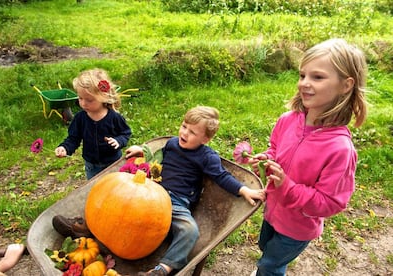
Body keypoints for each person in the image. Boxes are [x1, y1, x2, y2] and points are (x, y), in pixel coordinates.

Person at [53, 106, 266, 275]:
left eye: (192, 132)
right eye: (184, 126)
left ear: (205, 139)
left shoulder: (206, 156)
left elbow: (221, 176)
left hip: (175, 204)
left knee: (190, 230)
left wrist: (243, 189)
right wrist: (142, 150)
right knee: (115, 205)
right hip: (150, 194)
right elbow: (160, 153)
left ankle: (163, 269)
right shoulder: (173, 143)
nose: (184, 133)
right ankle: (83, 227)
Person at [248, 38, 368, 276]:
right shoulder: (288, 120)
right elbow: (276, 149)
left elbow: (330, 202)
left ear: (346, 85)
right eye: (302, 75)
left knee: (270, 264)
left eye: (317, 77)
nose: (304, 83)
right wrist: (266, 160)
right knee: (265, 247)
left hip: (297, 227)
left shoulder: (339, 148)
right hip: (273, 211)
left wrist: (287, 187)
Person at [55, 68, 132, 180]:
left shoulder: (114, 117)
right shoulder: (80, 118)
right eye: (80, 98)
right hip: (92, 166)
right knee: (94, 188)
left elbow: (125, 133)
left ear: (103, 97)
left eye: (89, 100)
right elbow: (73, 138)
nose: (83, 103)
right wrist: (65, 148)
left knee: (113, 188)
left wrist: (118, 141)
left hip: (113, 163)